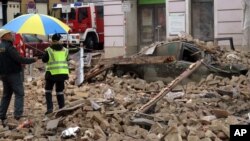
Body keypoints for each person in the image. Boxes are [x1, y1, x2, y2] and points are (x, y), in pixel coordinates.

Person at [0, 29, 37, 124]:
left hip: (4, 75)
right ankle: (17, 115)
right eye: (9, 34)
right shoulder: (9, 48)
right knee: (19, 93)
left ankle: (2, 115)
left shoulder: (0, 47)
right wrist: (32, 59)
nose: (12, 36)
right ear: (4, 36)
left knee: (6, 95)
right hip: (13, 74)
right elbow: (20, 59)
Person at [42, 33, 69, 115]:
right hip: (62, 74)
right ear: (59, 40)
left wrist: (44, 53)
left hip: (51, 74)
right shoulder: (65, 50)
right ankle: (62, 108)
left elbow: (44, 60)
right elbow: (66, 59)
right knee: (60, 91)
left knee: (48, 91)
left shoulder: (49, 50)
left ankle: (50, 109)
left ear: (52, 41)